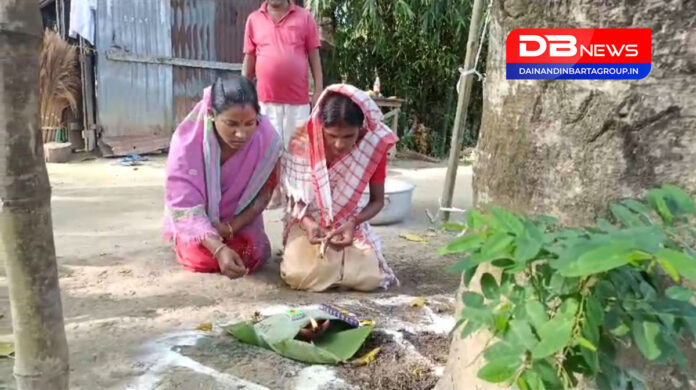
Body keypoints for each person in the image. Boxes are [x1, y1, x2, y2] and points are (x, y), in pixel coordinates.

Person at [280, 84, 399, 292]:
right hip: (307, 221)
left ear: (361, 129)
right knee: (297, 275)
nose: (338, 144)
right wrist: (307, 222)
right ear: (320, 126)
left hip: (348, 223)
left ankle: (335, 270)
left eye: (348, 137)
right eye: (331, 136)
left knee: (371, 278)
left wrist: (353, 223)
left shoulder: (371, 147)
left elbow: (377, 201)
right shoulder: (302, 141)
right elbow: (290, 197)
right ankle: (336, 270)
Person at [163, 76, 282, 278]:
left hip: (239, 223)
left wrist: (230, 228)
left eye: (249, 123)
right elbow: (182, 204)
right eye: (231, 124)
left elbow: (265, 192)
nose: (241, 134)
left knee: (250, 253)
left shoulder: (267, 140)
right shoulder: (187, 143)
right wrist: (218, 248)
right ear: (211, 114)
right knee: (202, 257)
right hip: (200, 223)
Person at [242, 0, 323, 148]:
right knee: (267, 152)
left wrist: (318, 89)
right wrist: (242, 91)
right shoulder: (254, 19)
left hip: (298, 102)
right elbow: (249, 58)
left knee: (298, 154)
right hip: (265, 101)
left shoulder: (304, 17)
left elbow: (314, 56)